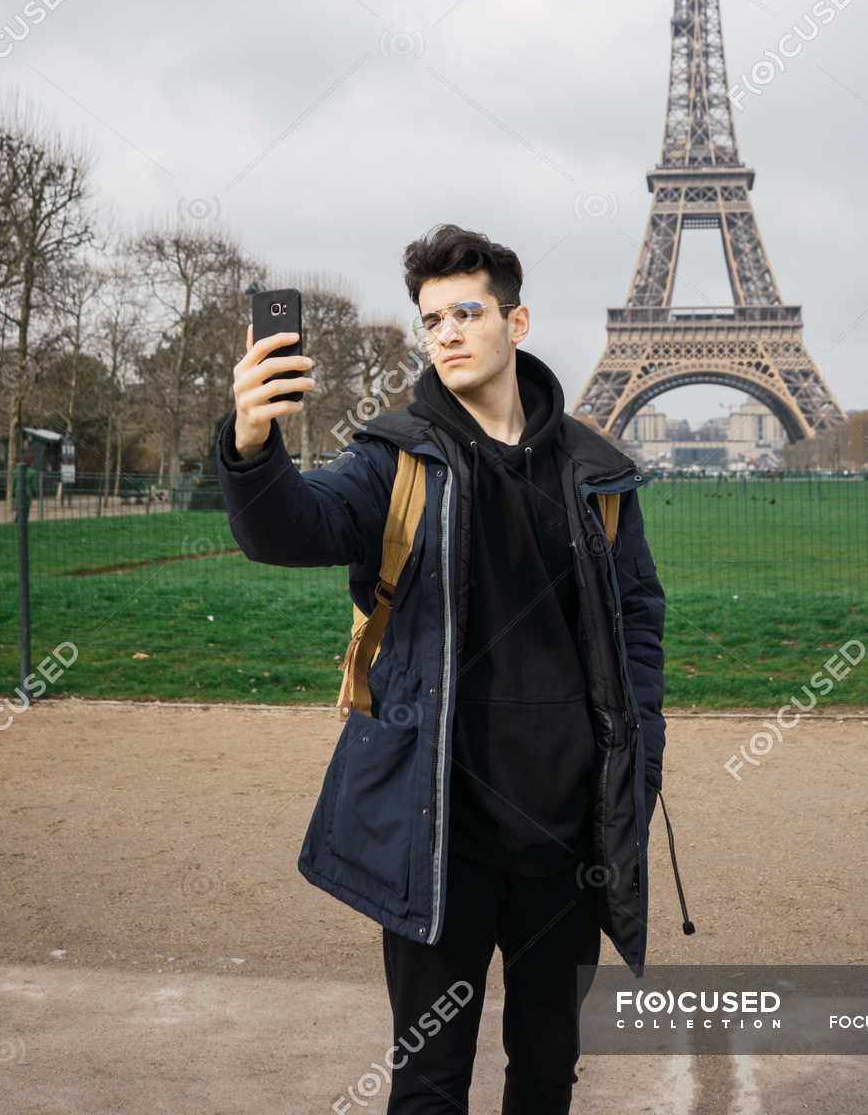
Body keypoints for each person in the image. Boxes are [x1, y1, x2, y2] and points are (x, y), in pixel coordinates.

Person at [216, 223, 692, 1114]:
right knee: (429, 1084)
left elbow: (638, 623)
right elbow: (293, 531)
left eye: (465, 311)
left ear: (516, 321)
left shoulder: (597, 472)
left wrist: (641, 759)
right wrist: (251, 444)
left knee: (547, 1077)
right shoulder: (392, 460)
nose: (445, 332)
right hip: (442, 835)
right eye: (430, 319)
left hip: (567, 840)